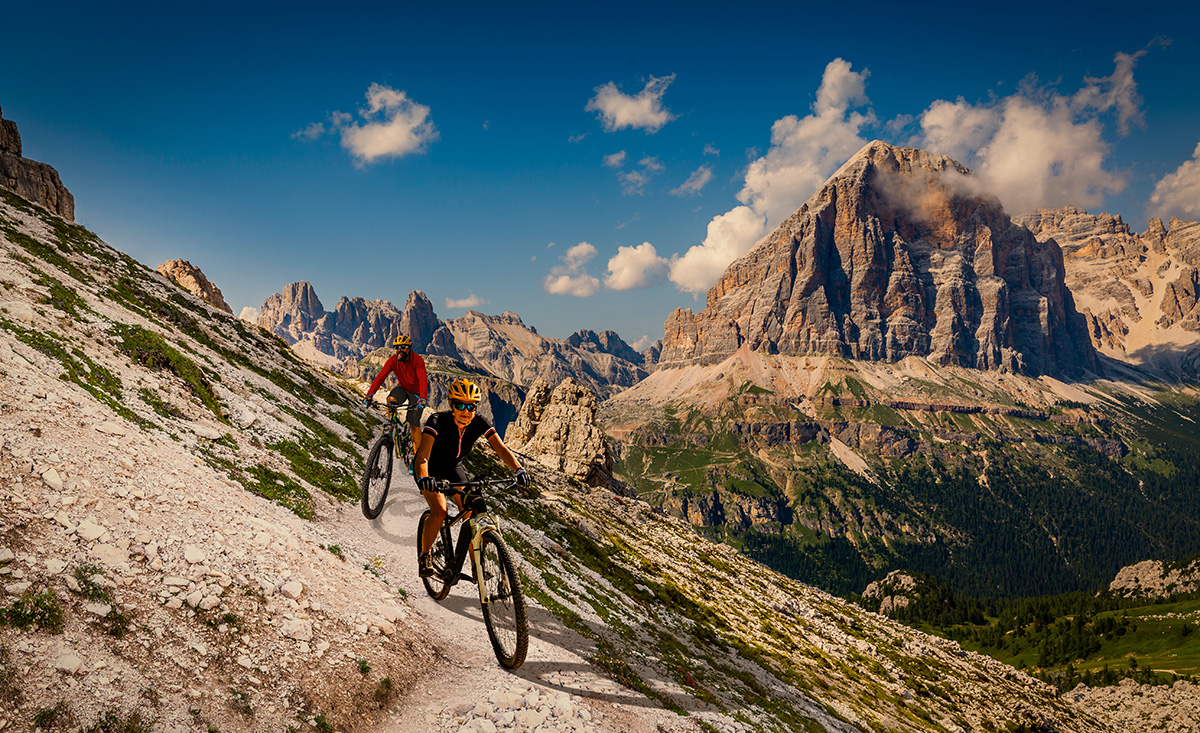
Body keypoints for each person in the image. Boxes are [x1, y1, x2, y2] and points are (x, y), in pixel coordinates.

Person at [413, 378, 531, 577]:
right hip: (430, 469)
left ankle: (477, 567)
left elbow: (500, 448)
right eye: (460, 405)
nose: (466, 411)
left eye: (471, 406)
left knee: (469, 512)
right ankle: (425, 555)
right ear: (451, 405)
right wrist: (425, 477)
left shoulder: (479, 422)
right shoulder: (437, 421)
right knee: (440, 510)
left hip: (454, 468)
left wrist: (519, 469)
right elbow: (423, 455)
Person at [362, 334, 428, 458]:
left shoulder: (417, 360)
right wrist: (369, 395)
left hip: (417, 393)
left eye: (403, 347)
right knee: (391, 400)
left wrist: (422, 398)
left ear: (409, 348)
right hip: (402, 387)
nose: (399, 350)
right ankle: (392, 425)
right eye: (397, 347)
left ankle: (416, 457)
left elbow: (423, 379)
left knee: (414, 424)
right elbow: (381, 377)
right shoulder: (392, 360)